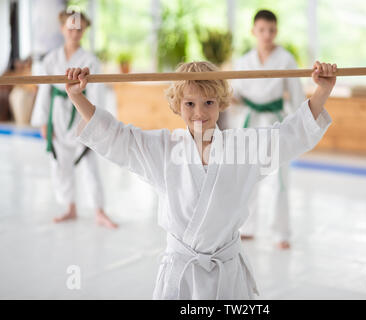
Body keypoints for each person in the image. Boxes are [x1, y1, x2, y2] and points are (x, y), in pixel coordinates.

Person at [64, 60, 336, 299]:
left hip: (226, 275)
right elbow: (117, 137)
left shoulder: (243, 148)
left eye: (208, 102)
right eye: (189, 104)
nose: (199, 113)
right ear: (177, 105)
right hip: (180, 275)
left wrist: (322, 90)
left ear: (221, 103)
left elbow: (288, 135)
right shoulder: (163, 149)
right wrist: (77, 96)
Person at [31, 9, 117, 228]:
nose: (74, 32)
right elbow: (44, 91)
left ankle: (99, 210)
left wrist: (95, 121)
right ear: (62, 29)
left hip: (81, 113)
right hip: (57, 115)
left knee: (89, 163)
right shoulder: (51, 59)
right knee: (59, 163)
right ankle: (69, 206)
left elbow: (96, 93)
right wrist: (43, 121)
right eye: (71, 28)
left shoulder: (90, 61)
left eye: (79, 29)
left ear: (84, 31)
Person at [231, 10, 306, 249]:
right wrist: (225, 97)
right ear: (253, 31)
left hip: (276, 121)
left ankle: (281, 232)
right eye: (262, 30)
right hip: (250, 120)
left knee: (281, 178)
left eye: (271, 30)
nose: (267, 35)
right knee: (247, 175)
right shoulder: (243, 61)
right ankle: (247, 226)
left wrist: (300, 128)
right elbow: (236, 96)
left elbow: (296, 97)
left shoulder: (286, 59)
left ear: (276, 31)